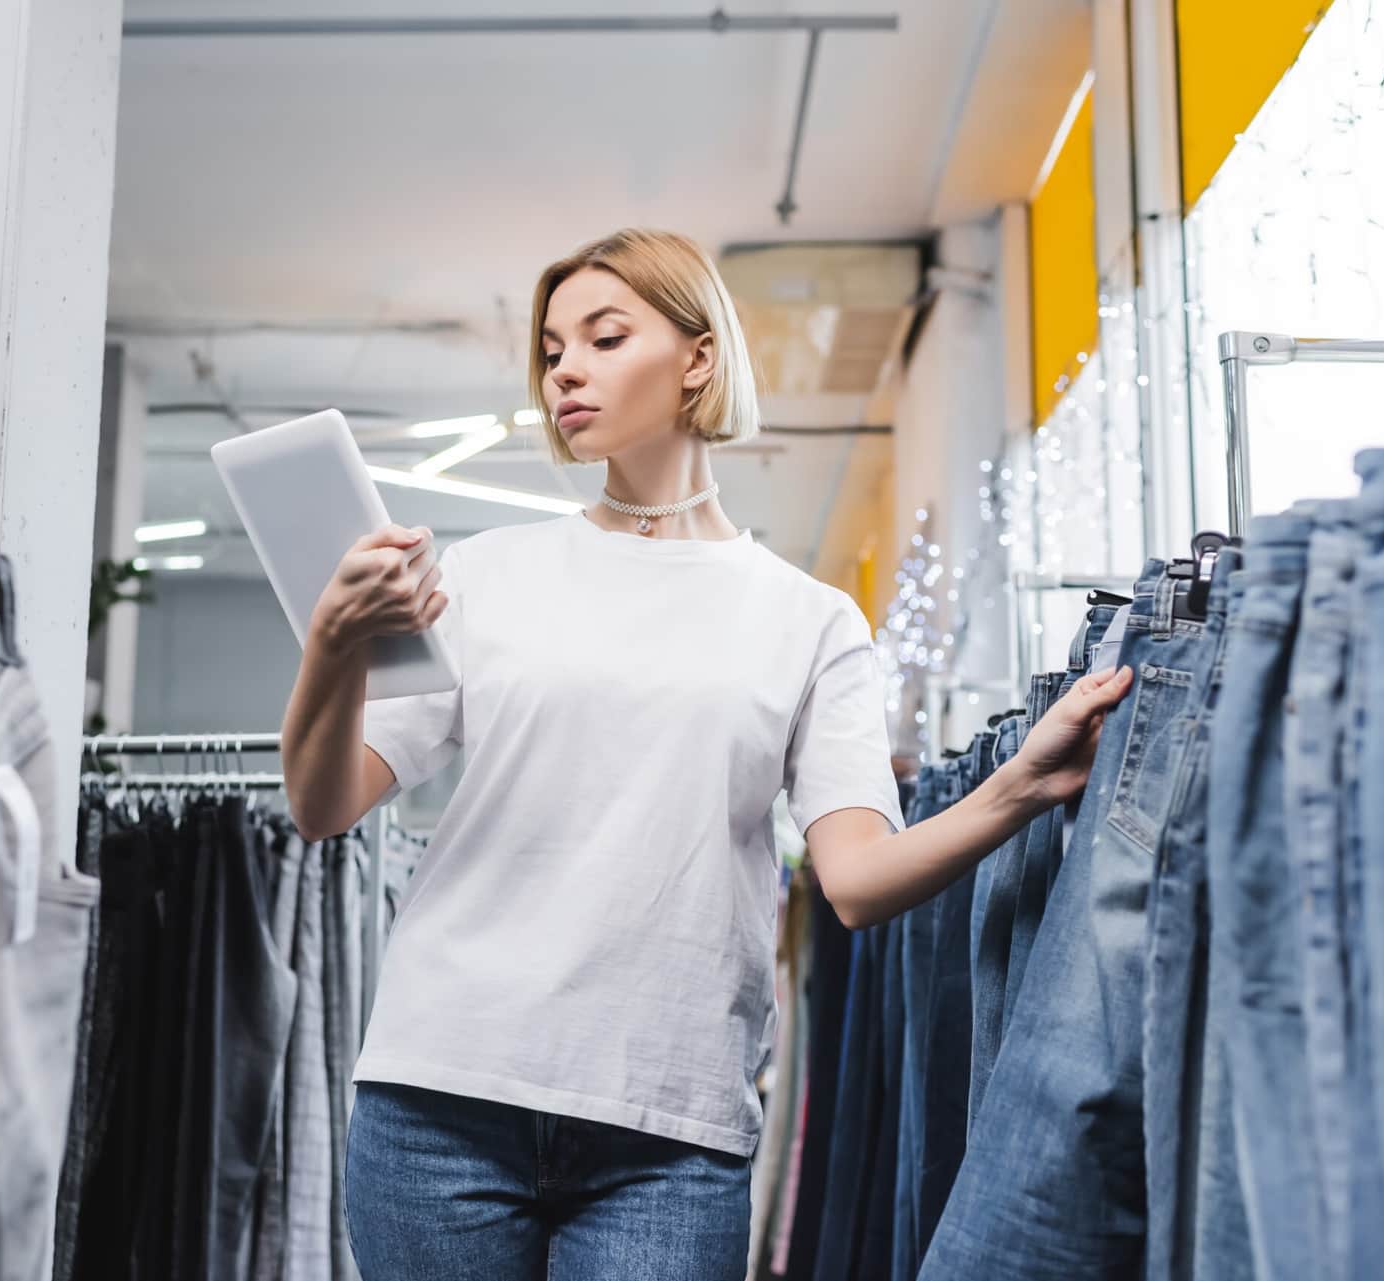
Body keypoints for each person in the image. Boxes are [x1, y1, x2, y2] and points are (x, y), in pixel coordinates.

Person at [280, 228, 1135, 1280]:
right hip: (441, 1103)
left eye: (603, 336)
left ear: (697, 357)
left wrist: (1022, 785)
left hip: (668, 1129)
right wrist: (331, 646)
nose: (567, 372)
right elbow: (324, 806)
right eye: (551, 351)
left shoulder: (811, 620)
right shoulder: (489, 574)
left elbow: (858, 883)